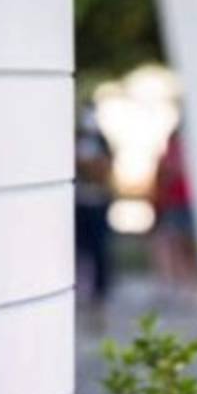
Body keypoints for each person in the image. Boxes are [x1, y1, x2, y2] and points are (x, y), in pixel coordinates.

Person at [149, 126, 197, 296]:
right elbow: (160, 180)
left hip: (188, 204)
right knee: (175, 245)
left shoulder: (190, 155)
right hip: (174, 205)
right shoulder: (166, 157)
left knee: (190, 246)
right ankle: (180, 281)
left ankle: (191, 282)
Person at [75, 103, 114, 308]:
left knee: (99, 249)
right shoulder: (77, 139)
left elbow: (102, 170)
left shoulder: (103, 142)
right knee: (79, 249)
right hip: (79, 202)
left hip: (97, 202)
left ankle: (100, 293)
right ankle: (81, 289)